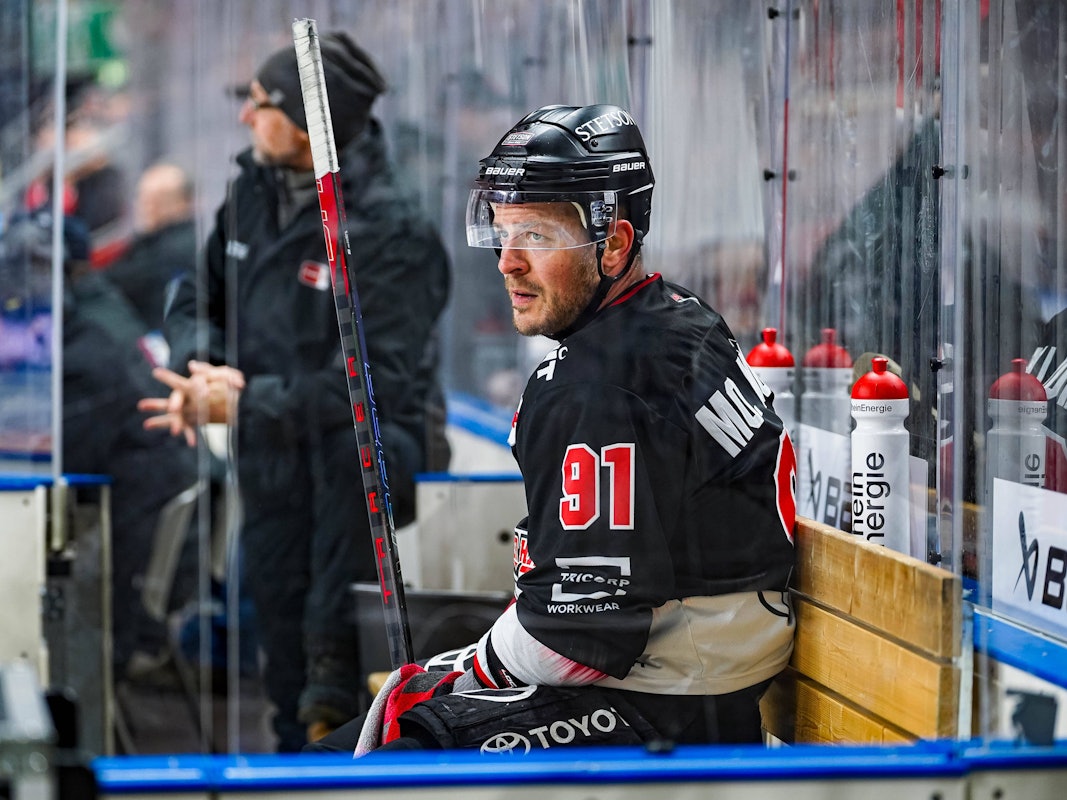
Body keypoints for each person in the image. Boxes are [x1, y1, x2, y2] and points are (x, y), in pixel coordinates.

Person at [317, 103, 797, 753]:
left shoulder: (594, 392)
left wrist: (457, 672)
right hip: (708, 672)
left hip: (666, 701)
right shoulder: (680, 315)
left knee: (352, 767)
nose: (506, 262)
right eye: (504, 232)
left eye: (537, 237)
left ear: (615, 243)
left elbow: (579, 641)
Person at [138, 31, 451, 752]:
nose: (245, 118)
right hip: (273, 461)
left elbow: (375, 387)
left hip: (358, 475)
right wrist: (203, 369)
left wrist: (246, 403)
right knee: (278, 646)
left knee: (331, 669)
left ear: (312, 122)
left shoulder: (390, 231)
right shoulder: (250, 189)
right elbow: (196, 297)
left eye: (260, 103)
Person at [0, 210, 198, 682]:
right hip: (132, 543)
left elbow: (60, 464)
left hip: (118, 580)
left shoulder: (89, 348)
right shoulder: (91, 324)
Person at [106, 162, 197, 331]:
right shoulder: (149, 242)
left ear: (184, 202)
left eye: (160, 200)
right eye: (143, 198)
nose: (148, 207)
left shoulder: (179, 247)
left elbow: (123, 281)